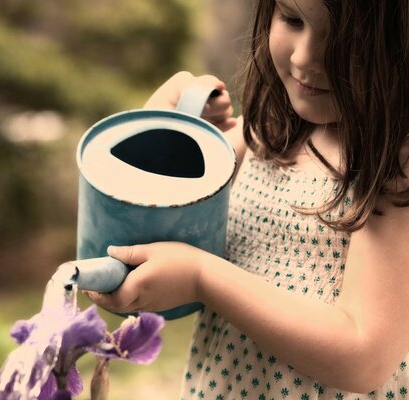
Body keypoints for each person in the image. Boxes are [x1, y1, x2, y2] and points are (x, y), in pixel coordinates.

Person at [86, 0, 409, 398]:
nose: (306, 56)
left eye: (348, 39)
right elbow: (148, 239)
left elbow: (364, 358)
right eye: (292, 19)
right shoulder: (261, 138)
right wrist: (167, 131)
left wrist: (202, 277)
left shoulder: (394, 169)